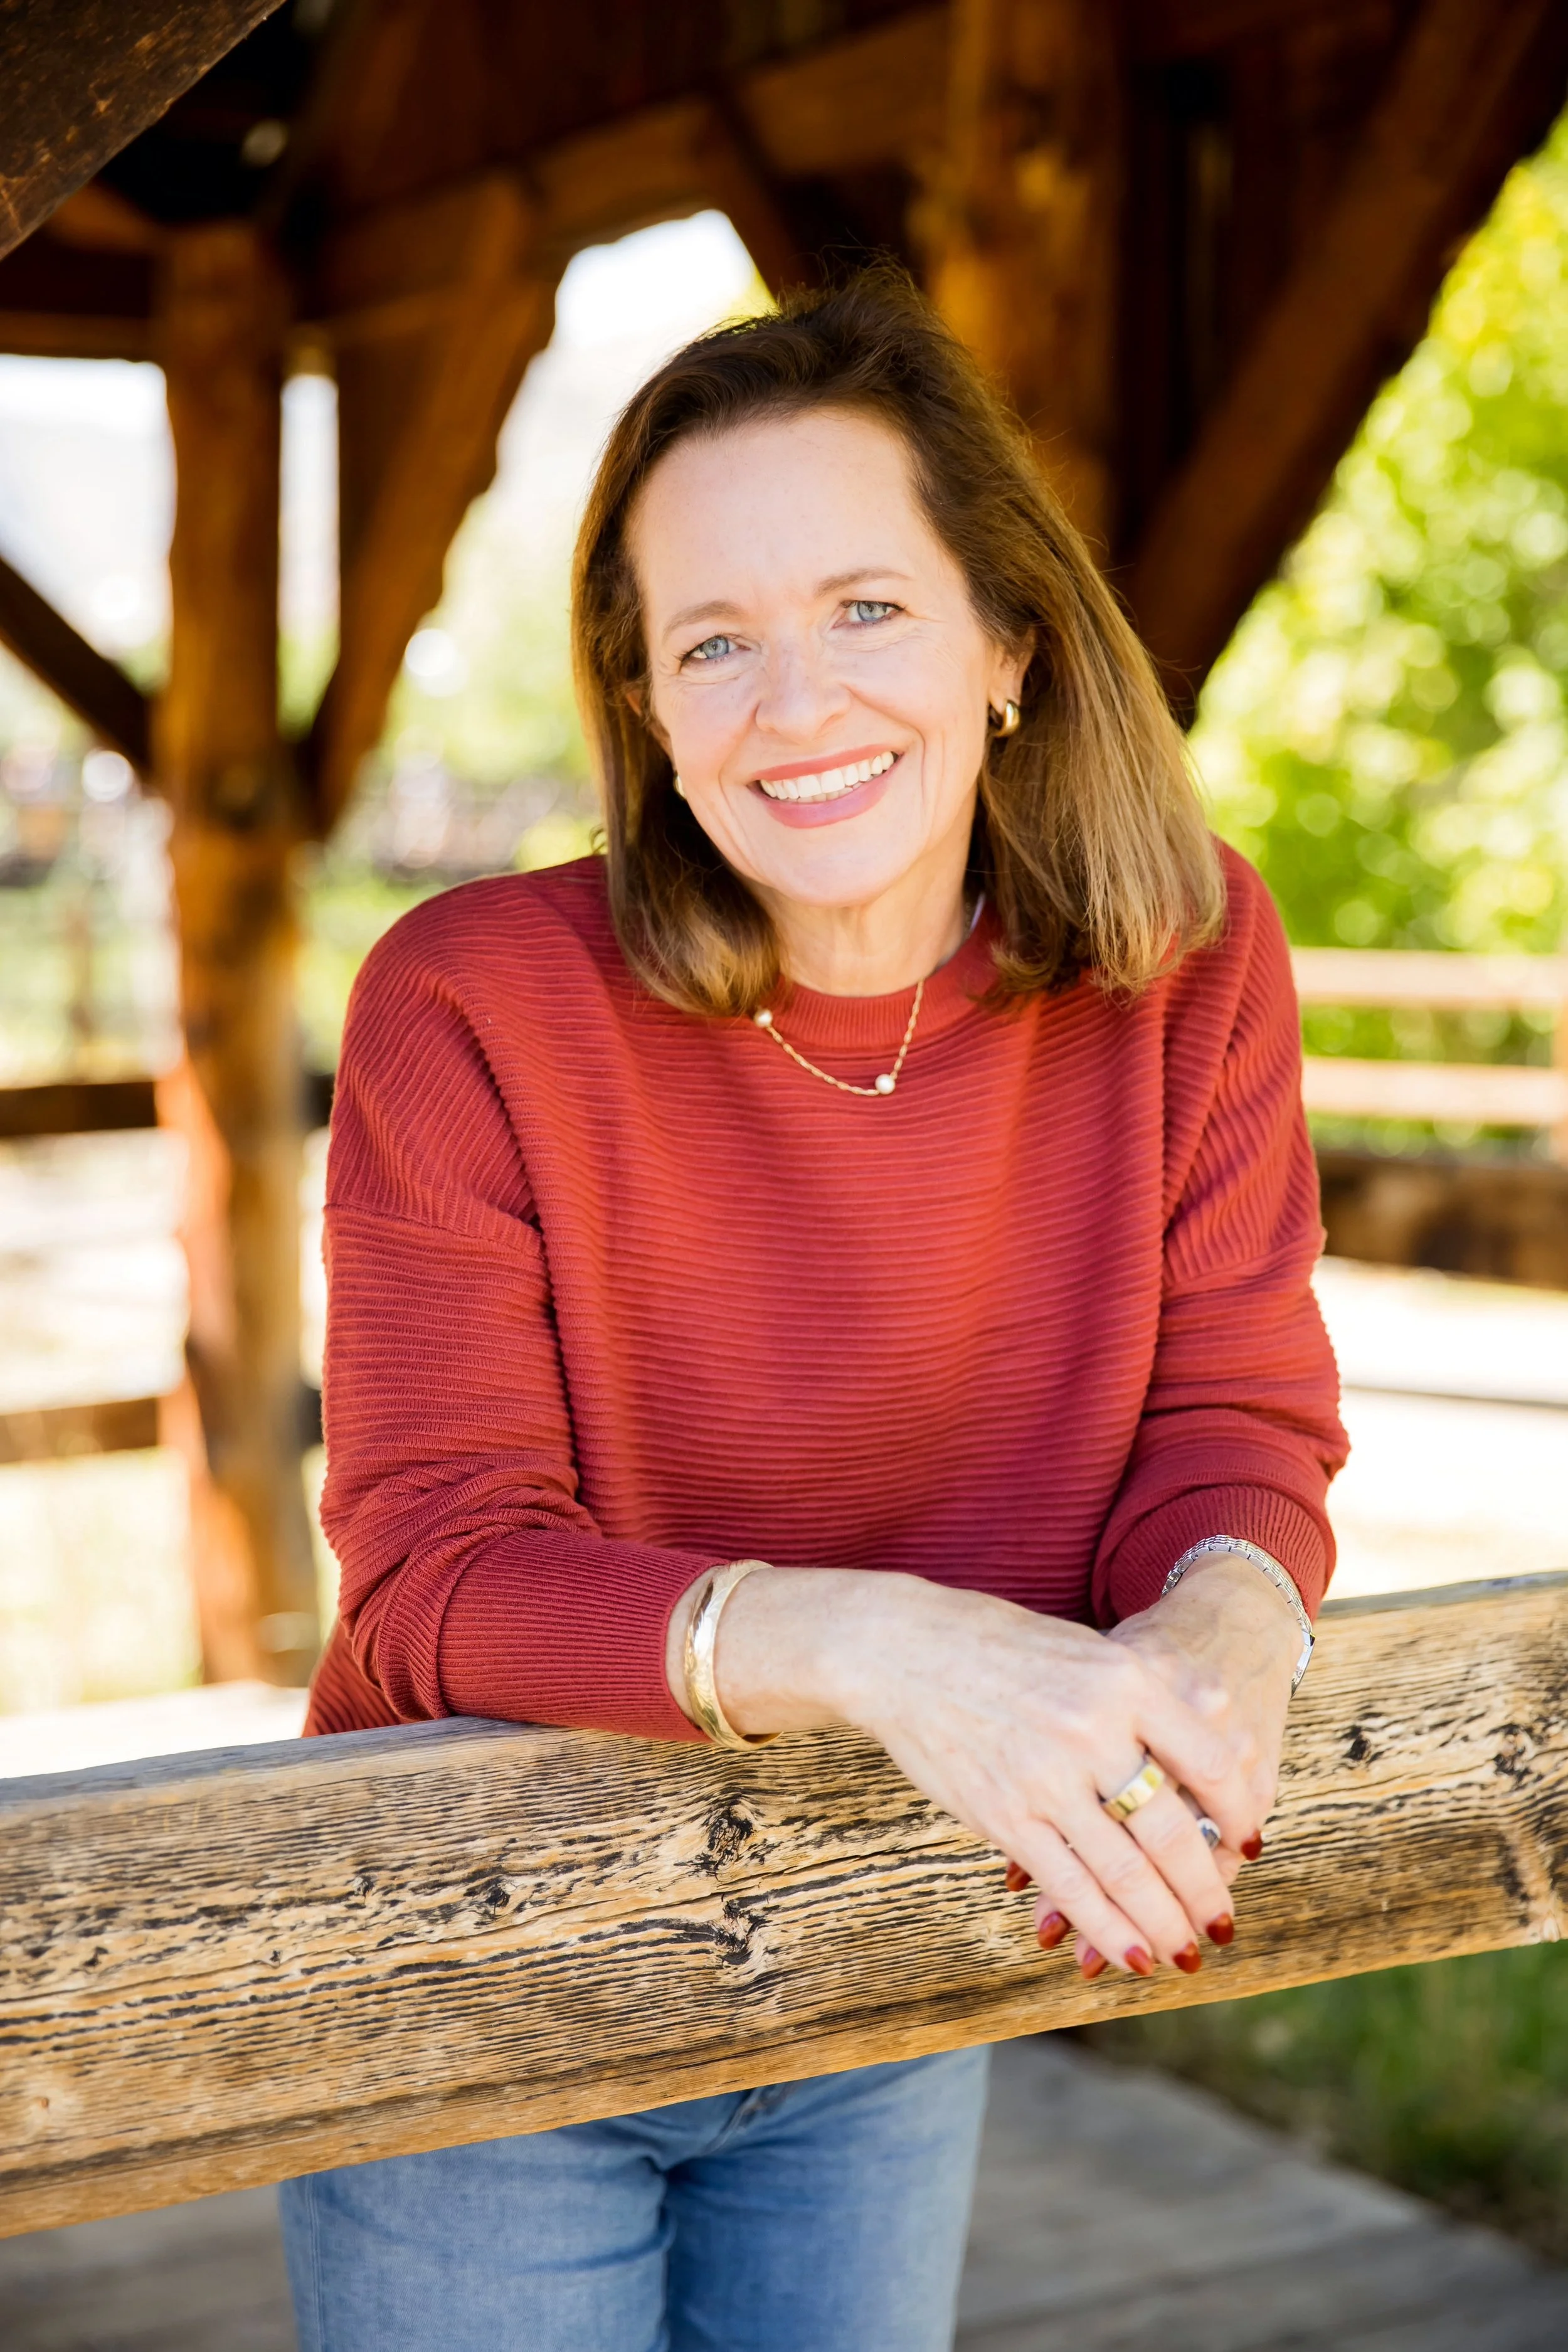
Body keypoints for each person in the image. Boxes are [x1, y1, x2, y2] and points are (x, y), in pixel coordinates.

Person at [280, 270, 1347, 2352]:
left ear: (1008, 642)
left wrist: (1228, 1624)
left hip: (877, 1926)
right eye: (715, 643)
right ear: (651, 716)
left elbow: (1230, 1416)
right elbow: (427, 1579)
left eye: (866, 607)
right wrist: (882, 1638)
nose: (796, 702)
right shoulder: (467, 1003)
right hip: (482, 1951)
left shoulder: (1191, 959)